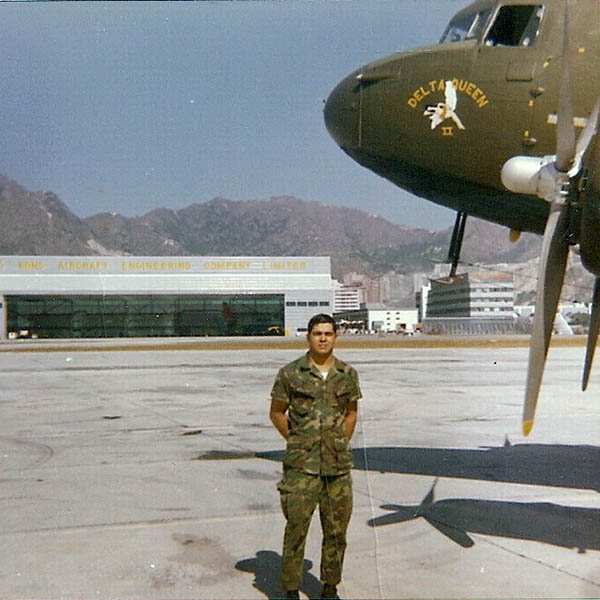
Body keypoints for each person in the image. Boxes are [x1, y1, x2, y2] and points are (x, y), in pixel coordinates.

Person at [269, 314, 361, 599]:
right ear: (308, 337)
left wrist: (336, 443)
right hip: (301, 468)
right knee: (296, 529)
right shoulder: (290, 373)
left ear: (335, 337)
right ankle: (291, 589)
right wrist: (299, 441)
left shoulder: (347, 374)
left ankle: (330, 587)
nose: (323, 338)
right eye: (317, 333)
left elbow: (351, 413)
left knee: (336, 532)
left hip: (337, 468)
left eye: (328, 333)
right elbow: (276, 412)